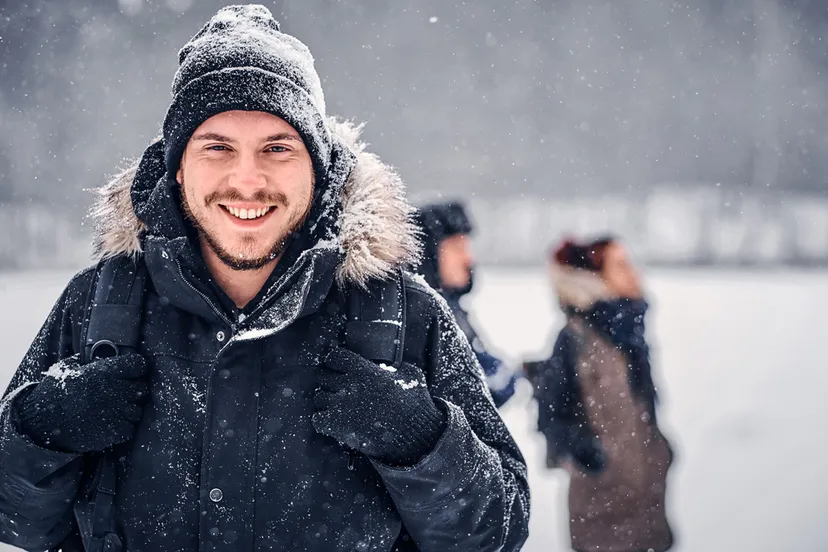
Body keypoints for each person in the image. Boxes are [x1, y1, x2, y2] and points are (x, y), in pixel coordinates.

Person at [0, 6, 529, 551]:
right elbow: (15, 521)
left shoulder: (402, 313)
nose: (247, 180)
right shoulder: (100, 304)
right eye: (217, 148)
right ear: (178, 166)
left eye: (277, 148)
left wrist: (420, 440)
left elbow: (498, 531)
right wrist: (43, 433)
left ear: (317, 167)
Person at [533, 236, 674, 552]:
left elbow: (642, 413)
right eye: (621, 265)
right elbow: (550, 415)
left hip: (649, 509)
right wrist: (590, 457)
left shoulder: (629, 333)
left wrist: (661, 452)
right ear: (594, 279)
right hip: (603, 518)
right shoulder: (574, 339)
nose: (633, 272)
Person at [412, 201, 519, 408]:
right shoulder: (421, 316)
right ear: (428, 251)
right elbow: (466, 392)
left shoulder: (453, 308)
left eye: (468, 247)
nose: (468, 258)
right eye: (457, 247)